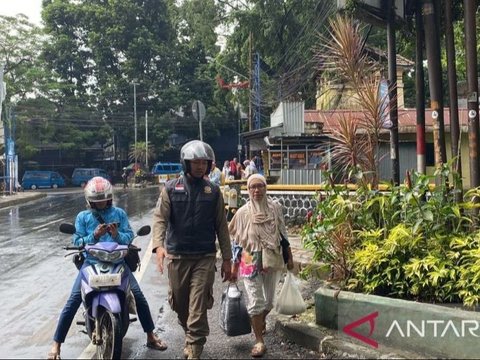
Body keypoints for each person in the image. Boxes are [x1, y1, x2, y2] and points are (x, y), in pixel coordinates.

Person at [47, 177, 167, 360]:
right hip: (91, 264)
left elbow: (129, 237)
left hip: (118, 263)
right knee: (72, 302)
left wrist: (115, 233)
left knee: (139, 297)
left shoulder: (118, 214)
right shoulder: (83, 217)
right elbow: (77, 241)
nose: (101, 202)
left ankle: (151, 335)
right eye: (97, 200)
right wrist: (94, 235)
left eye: (103, 199)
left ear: (109, 197)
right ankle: (56, 345)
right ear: (89, 200)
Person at [151, 140, 232, 360]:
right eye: (195, 162)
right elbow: (160, 219)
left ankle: (195, 349)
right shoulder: (170, 189)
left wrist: (227, 259)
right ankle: (189, 335)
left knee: (197, 307)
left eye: (203, 163)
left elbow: (222, 227)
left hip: (204, 256)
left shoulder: (213, 192)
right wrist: (158, 246)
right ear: (185, 163)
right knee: (179, 304)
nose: (199, 166)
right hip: (177, 256)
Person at [228, 174, 294, 358]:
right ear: (248, 190)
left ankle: (259, 320)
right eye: (252, 187)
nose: (256, 190)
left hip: (271, 256)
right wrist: (234, 266)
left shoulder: (275, 209)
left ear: (265, 188)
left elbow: (283, 233)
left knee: (269, 302)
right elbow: (237, 241)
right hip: (249, 258)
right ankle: (258, 340)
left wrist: (289, 255)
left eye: (260, 186)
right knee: (256, 301)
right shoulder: (242, 213)